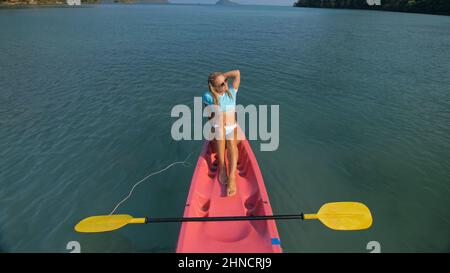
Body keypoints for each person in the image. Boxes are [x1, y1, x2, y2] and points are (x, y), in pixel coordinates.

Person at [203, 70, 240, 196]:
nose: (225, 85)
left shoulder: (232, 92)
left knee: (231, 142)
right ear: (213, 87)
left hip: (231, 127)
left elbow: (237, 73)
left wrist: (223, 76)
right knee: (219, 131)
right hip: (218, 128)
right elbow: (209, 116)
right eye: (221, 84)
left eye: (225, 82)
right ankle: (222, 167)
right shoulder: (209, 97)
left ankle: (232, 176)